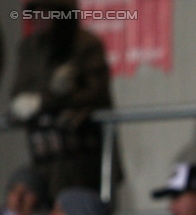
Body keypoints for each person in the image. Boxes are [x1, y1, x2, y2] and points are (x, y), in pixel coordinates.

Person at [8, 0, 115, 194]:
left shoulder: (87, 45)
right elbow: (19, 95)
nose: (38, 20)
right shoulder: (29, 49)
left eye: (45, 13)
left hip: (84, 159)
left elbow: (95, 93)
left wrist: (48, 100)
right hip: (45, 158)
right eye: (35, 13)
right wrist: (46, 97)